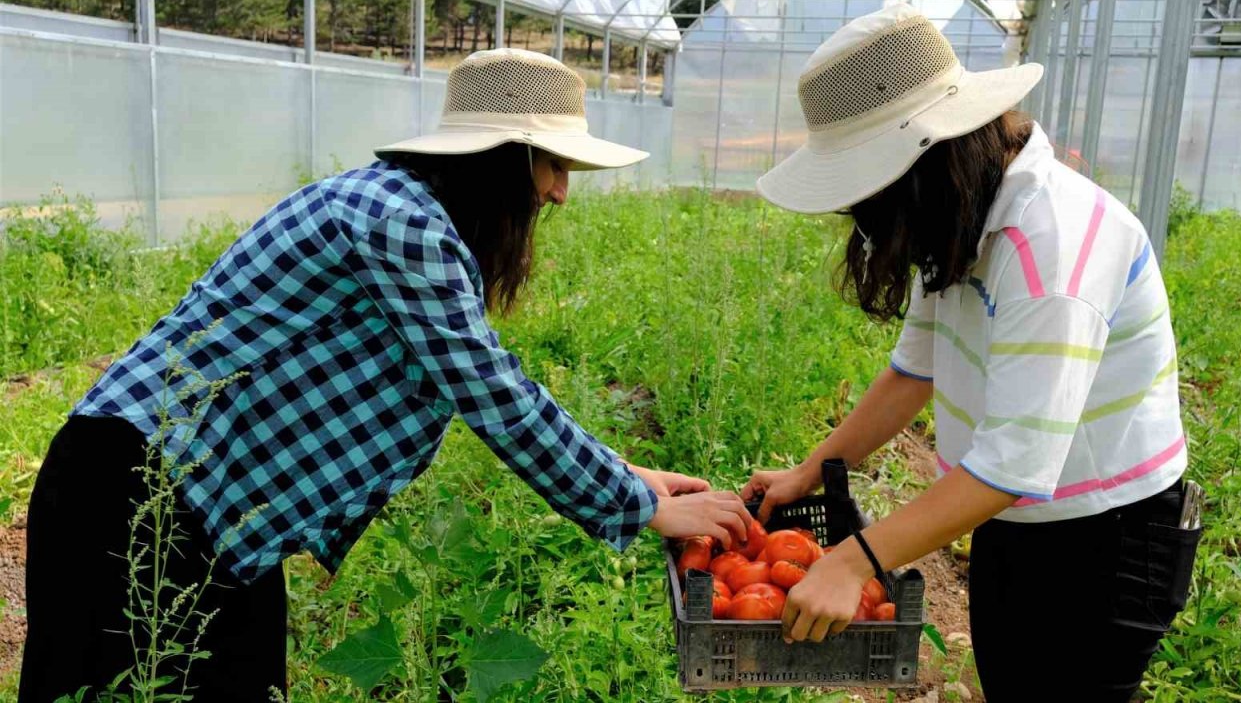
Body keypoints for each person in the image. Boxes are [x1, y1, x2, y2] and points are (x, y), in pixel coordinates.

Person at [20, 48, 752, 702]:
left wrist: (629, 472)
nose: (561, 192)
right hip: (135, 493)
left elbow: (474, 381)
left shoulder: (406, 217)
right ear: (506, 159)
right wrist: (639, 505)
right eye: (555, 165)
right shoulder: (400, 222)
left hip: (206, 510)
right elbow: (492, 393)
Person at [741, 3, 1201, 703]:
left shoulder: (1051, 246)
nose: (864, 221)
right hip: (1006, 511)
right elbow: (914, 371)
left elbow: (1015, 462)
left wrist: (853, 561)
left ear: (925, 162)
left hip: (1110, 535)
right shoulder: (961, 219)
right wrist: (811, 471)